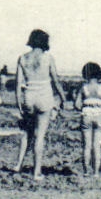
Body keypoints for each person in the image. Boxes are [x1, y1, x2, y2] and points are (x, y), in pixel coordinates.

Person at [14, 29, 65, 177]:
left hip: (29, 97)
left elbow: (18, 84)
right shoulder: (48, 58)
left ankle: (18, 165)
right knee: (40, 136)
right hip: (44, 97)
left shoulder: (22, 58)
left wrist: (19, 103)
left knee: (27, 133)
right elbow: (55, 80)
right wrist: (62, 97)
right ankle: (37, 172)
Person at [78, 62, 101, 175]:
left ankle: (86, 171)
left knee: (87, 145)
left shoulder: (83, 88)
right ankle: (96, 172)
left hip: (86, 115)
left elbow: (76, 104)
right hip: (99, 116)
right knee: (97, 146)